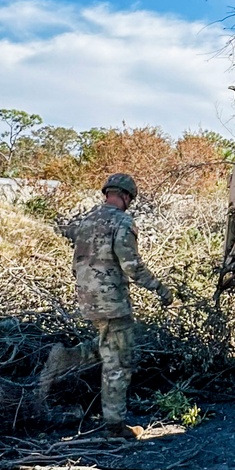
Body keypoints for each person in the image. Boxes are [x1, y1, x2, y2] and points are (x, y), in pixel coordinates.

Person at [40, 173, 173, 440]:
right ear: (126, 196)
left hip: (87, 298)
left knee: (107, 346)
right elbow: (131, 265)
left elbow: (67, 238)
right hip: (112, 302)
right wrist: (160, 289)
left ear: (107, 193)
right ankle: (114, 426)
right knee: (119, 361)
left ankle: (66, 358)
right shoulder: (122, 221)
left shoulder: (87, 220)